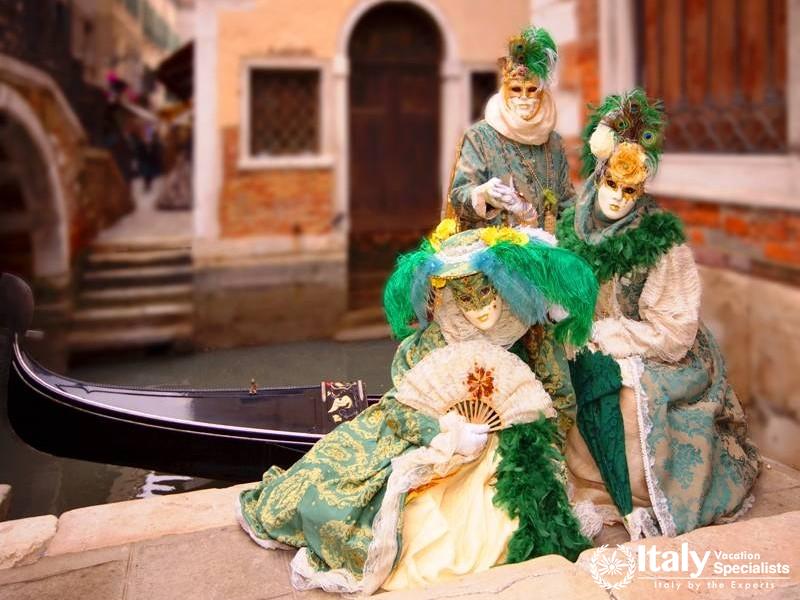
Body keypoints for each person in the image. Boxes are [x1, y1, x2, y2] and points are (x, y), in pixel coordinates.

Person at [237, 222, 598, 594]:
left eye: (487, 291)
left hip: (506, 456)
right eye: (466, 296)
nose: (480, 309)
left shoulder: (533, 336)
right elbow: (404, 402)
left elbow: (558, 402)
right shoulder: (433, 340)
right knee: (330, 494)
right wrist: (447, 432)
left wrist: (524, 442)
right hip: (439, 442)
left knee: (485, 528)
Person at [557, 89, 761, 540]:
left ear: (643, 188)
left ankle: (631, 496)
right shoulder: (572, 224)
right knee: (556, 387)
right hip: (581, 341)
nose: (616, 198)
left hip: (660, 350)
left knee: (631, 406)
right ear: (599, 172)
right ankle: (585, 483)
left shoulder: (661, 241)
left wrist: (609, 332)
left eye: (629, 190)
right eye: (611, 183)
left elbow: (674, 331)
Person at [447, 26, 574, 232]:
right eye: (516, 89)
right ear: (506, 89)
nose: (523, 97)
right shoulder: (479, 137)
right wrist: (484, 195)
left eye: (532, 90)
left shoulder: (554, 142)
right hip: (496, 254)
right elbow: (459, 196)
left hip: (546, 255)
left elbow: (567, 203)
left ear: (542, 92)